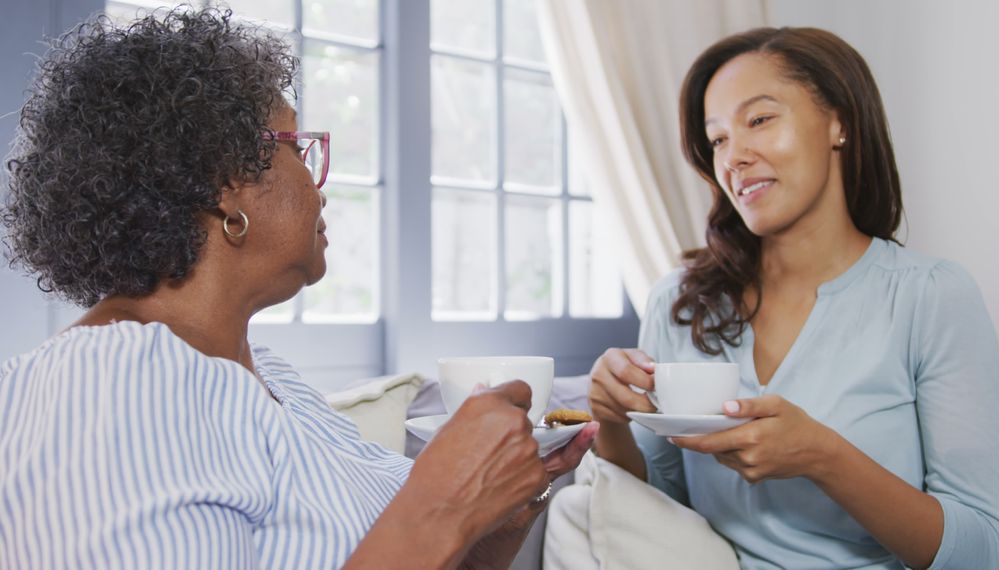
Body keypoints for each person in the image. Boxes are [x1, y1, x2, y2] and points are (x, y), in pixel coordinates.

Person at [0, 8, 595, 569]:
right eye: (301, 150)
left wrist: (499, 513)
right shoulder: (109, 386)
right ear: (227, 182)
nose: (319, 189)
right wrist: (440, 509)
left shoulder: (275, 385)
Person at [588, 27, 999, 569]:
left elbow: (982, 555)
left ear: (840, 123)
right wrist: (615, 422)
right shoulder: (680, 301)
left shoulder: (931, 298)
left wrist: (823, 457)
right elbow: (654, 507)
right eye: (716, 140)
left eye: (759, 120)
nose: (733, 158)